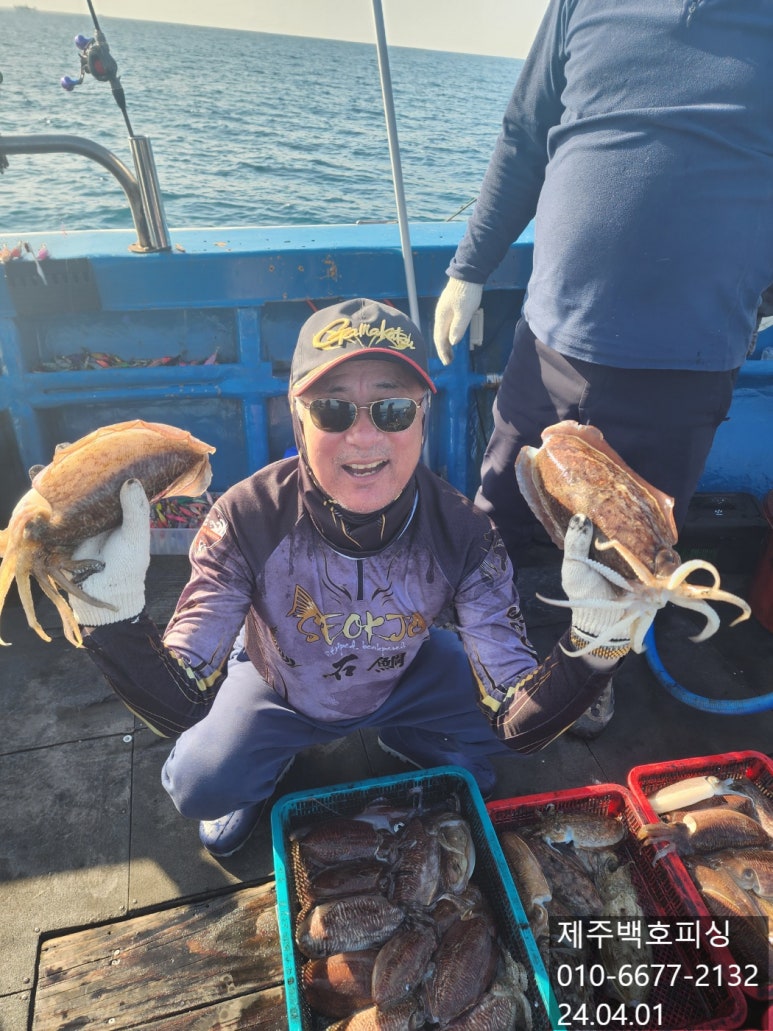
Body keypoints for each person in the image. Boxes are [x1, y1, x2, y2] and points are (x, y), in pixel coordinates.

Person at [68, 298, 637, 860]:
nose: (364, 437)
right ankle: (266, 765)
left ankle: (409, 734)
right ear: (298, 415)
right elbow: (180, 702)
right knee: (200, 783)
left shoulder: (464, 532)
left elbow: (519, 722)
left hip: (407, 672)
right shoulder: (245, 518)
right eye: (332, 410)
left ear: (423, 417)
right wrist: (109, 619)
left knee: (513, 733)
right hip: (279, 683)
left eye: (392, 410)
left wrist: (598, 643)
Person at [433, 0, 773, 737]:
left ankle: (588, 675)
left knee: (632, 556)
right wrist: (469, 267)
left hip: (684, 367)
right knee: (502, 504)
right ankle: (474, 642)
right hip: (550, 337)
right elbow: (525, 133)